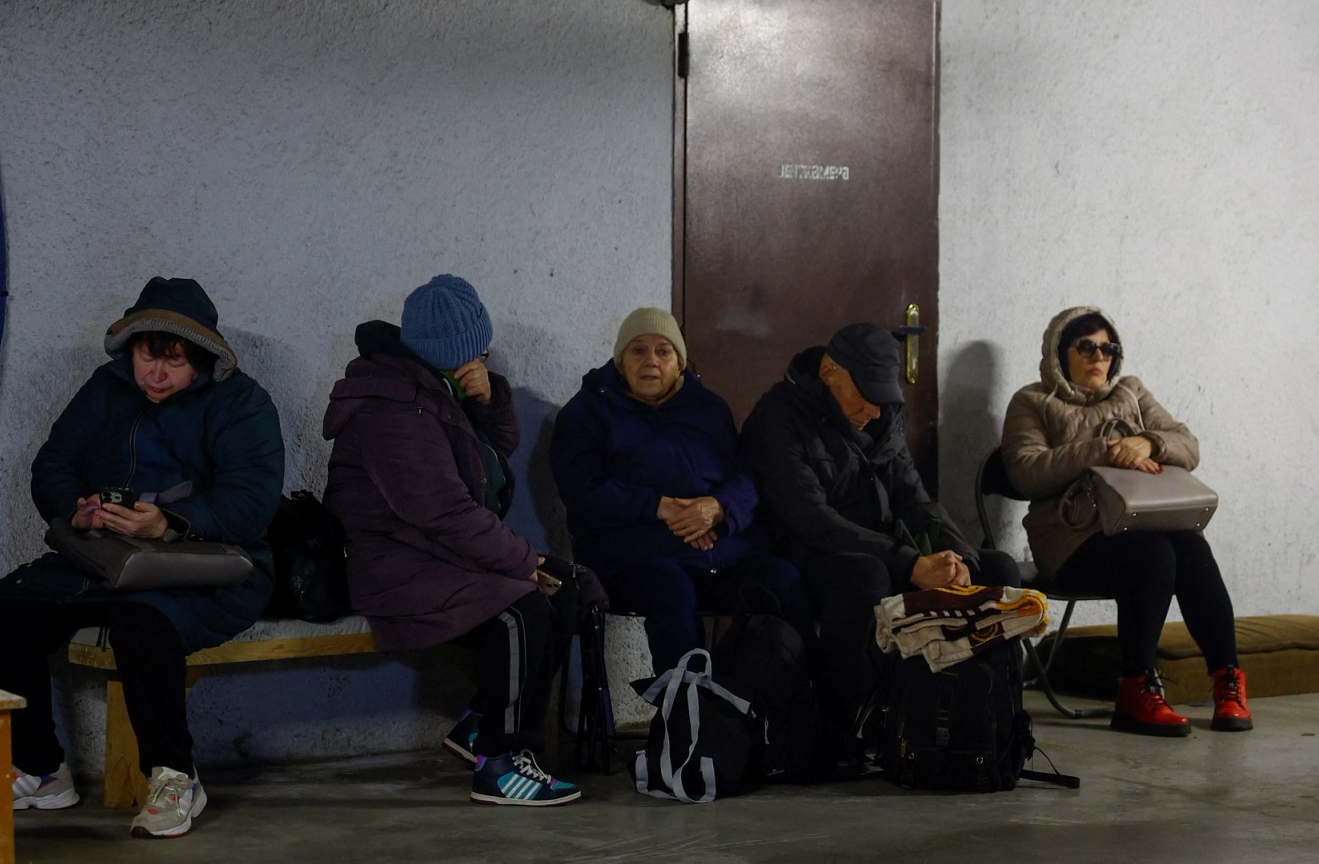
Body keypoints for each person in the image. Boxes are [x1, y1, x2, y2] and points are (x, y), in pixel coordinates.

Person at [0, 277, 284, 837]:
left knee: (144, 623)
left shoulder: (242, 403)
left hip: (208, 566)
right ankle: (40, 769)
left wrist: (170, 522)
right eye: (146, 357)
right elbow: (53, 464)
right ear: (130, 349)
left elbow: (252, 502)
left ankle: (175, 777)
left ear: (202, 360)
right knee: (3, 609)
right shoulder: (105, 388)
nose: (155, 375)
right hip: (106, 558)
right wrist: (76, 513)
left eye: (174, 362)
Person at [322, 274, 580, 807]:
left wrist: (488, 402)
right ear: (454, 353)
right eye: (478, 353)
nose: (482, 360)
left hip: (435, 552)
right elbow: (443, 512)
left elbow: (492, 460)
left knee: (568, 588)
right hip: (393, 563)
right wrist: (522, 561)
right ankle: (500, 765)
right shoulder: (394, 408)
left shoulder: (434, 387)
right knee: (522, 611)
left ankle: (479, 726)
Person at [738, 323, 1018, 759]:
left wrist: (959, 557)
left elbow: (915, 500)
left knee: (997, 567)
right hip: (807, 552)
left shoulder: (881, 416)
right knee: (866, 575)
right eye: (864, 394)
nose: (872, 410)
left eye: (882, 397)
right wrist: (910, 564)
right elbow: (813, 521)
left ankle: (992, 724)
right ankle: (848, 728)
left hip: (883, 550)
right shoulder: (777, 418)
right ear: (829, 372)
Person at [1001, 306, 1250, 736]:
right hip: (1069, 540)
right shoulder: (1032, 401)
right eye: (1087, 347)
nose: (1100, 357)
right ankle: (1136, 689)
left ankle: (1228, 681)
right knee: (1152, 554)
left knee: (1190, 546)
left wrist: (1148, 442)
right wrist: (1103, 450)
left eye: (1108, 349)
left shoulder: (1131, 393)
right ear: (1060, 352)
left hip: (1134, 524)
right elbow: (1025, 471)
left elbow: (1188, 445)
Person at [550, 307, 814, 674]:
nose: (651, 361)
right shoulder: (588, 413)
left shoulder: (709, 408)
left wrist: (717, 508)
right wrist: (658, 507)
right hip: (633, 558)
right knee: (671, 592)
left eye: (663, 351)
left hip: (718, 552)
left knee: (783, 580)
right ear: (621, 360)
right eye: (638, 350)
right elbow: (581, 489)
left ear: (680, 363)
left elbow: (748, 475)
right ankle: (686, 706)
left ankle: (792, 700)